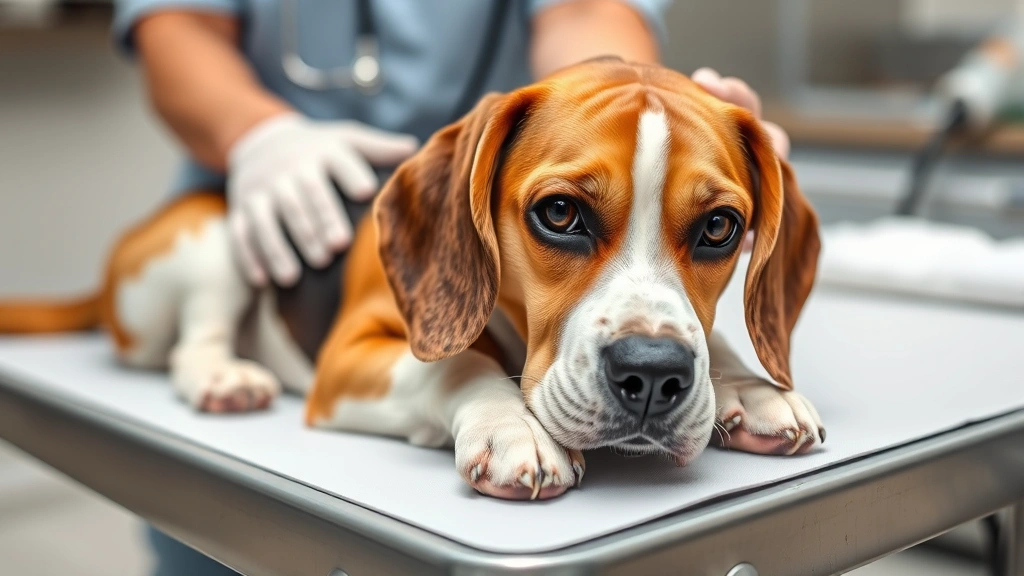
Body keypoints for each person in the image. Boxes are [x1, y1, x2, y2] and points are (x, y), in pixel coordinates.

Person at [111, 1, 789, 573]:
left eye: (717, 228)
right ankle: (200, 343)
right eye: (562, 212)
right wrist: (258, 135)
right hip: (261, 203)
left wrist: (651, 117)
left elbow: (587, 9)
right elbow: (174, 24)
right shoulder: (455, 230)